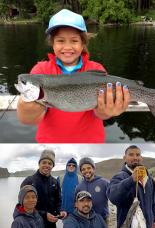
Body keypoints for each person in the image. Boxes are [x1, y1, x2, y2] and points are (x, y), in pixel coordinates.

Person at [16, 9, 130, 143]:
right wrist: (27, 103)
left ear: (83, 44)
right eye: (60, 41)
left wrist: (108, 111)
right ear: (52, 44)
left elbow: (101, 114)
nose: (67, 47)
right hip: (51, 143)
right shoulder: (40, 70)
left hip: (90, 143)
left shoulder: (96, 69)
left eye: (74, 41)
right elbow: (27, 120)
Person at [20, 149, 65, 228]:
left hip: (51, 222)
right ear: (39, 163)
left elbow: (58, 200)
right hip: (33, 222)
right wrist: (44, 215)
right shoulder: (29, 181)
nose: (47, 165)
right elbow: (22, 205)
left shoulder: (55, 182)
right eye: (44, 162)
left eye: (50, 163)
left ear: (52, 166)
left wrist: (58, 212)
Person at [75, 157, 110, 222]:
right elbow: (76, 204)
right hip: (85, 220)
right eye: (83, 169)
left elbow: (115, 196)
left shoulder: (104, 183)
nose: (86, 171)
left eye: (89, 168)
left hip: (102, 219)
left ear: (93, 169)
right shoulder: (79, 187)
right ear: (81, 172)